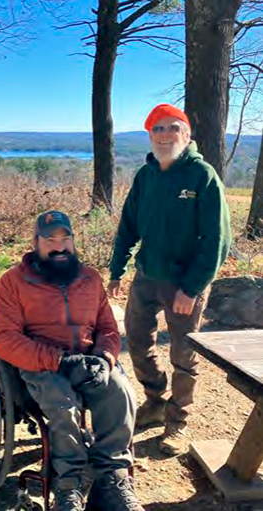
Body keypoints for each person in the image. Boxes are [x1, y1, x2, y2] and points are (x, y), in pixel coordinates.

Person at [0, 211, 142, 511]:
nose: (59, 247)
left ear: (73, 242)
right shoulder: (13, 282)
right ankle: (68, 486)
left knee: (121, 392)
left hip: (89, 361)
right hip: (44, 364)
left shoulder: (90, 278)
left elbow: (108, 329)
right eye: (50, 240)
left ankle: (112, 479)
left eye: (66, 239)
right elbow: (5, 338)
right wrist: (60, 361)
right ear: (35, 243)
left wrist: (104, 357)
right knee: (63, 405)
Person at [108, 104, 231, 455]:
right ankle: (156, 400)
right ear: (150, 136)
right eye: (157, 129)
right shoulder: (145, 177)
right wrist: (117, 270)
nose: (164, 135)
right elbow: (128, 226)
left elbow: (218, 241)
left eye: (172, 128)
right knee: (138, 343)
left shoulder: (202, 176)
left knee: (184, 353)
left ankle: (178, 422)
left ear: (186, 135)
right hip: (146, 275)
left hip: (184, 283)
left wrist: (191, 289)